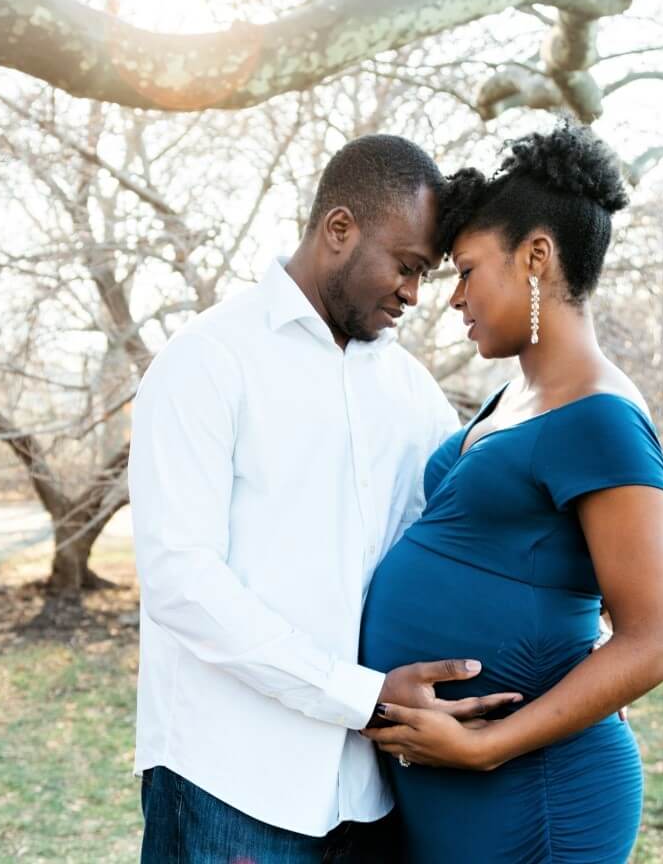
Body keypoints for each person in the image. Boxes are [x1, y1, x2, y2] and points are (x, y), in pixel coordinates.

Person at [130, 135, 520, 863]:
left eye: (427, 276)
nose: (413, 294)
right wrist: (357, 694)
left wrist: (578, 644)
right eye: (405, 268)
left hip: (371, 796)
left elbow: (464, 534)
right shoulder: (208, 361)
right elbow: (180, 579)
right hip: (229, 783)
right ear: (339, 230)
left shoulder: (411, 394)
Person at [359, 122, 663, 863]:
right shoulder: (515, 396)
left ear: (537, 256)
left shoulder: (601, 416)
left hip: (534, 789)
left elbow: (655, 641)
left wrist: (487, 748)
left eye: (468, 271)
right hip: (451, 786)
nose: (454, 298)